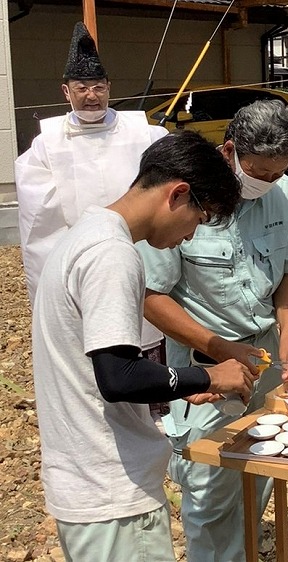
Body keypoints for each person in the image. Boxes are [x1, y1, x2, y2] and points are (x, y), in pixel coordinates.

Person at [32, 131, 258, 562]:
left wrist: (177, 384)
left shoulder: (87, 231)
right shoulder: (111, 254)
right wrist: (209, 373)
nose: (191, 237)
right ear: (178, 194)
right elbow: (119, 377)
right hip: (111, 490)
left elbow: (106, 368)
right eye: (200, 218)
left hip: (85, 482)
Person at [138, 99, 288, 562]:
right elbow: (152, 296)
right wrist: (218, 347)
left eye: (278, 173)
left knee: (261, 472)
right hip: (205, 366)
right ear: (230, 151)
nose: (269, 183)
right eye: (259, 173)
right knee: (208, 490)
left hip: (266, 357)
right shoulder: (187, 198)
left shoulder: (285, 193)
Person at [15, 21, 168, 360]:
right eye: (81, 88)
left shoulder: (142, 132)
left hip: (138, 253)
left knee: (143, 329)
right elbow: (39, 217)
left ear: (109, 87)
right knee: (84, 342)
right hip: (79, 260)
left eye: (98, 87)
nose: (91, 96)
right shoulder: (48, 142)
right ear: (66, 91)